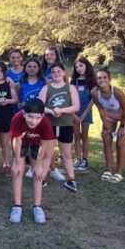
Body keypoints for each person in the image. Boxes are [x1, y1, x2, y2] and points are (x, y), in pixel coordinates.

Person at [9, 99, 56, 224]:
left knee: (38, 173)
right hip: (21, 141)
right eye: (30, 117)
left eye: (37, 118)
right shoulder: (17, 119)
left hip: (38, 143)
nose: (33, 121)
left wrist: (39, 165)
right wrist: (17, 162)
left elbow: (44, 145)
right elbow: (17, 141)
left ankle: (37, 206)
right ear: (24, 113)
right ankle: (17, 206)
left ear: (42, 116)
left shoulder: (45, 123)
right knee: (18, 171)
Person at [39, 62, 80, 192]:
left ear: (63, 72)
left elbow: (76, 106)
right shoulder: (47, 88)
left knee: (66, 154)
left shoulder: (70, 88)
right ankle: (42, 178)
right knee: (47, 153)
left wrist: (62, 110)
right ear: (50, 74)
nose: (56, 74)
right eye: (53, 72)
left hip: (65, 124)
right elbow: (39, 106)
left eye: (58, 71)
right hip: (49, 124)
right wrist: (51, 111)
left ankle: (71, 179)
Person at [92, 67, 125, 183]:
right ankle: (109, 170)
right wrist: (105, 124)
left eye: (104, 77)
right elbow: (101, 109)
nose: (102, 80)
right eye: (99, 78)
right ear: (96, 80)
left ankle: (119, 172)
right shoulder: (94, 93)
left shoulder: (117, 92)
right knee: (106, 138)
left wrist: (122, 126)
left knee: (120, 142)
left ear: (109, 79)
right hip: (110, 115)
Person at [0, 61, 19, 177]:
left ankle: (6, 164)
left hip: (5, 114)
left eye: (1, 71)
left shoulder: (8, 84)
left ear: (4, 72)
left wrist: (6, 101)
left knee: (5, 142)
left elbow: (15, 99)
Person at [71, 57, 97, 172]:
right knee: (76, 136)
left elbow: (93, 100)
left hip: (86, 112)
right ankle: (78, 159)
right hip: (74, 114)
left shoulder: (92, 81)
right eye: (76, 67)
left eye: (81, 66)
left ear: (87, 66)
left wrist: (83, 115)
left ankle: (85, 159)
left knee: (84, 135)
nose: (79, 68)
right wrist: (75, 115)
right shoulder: (73, 81)